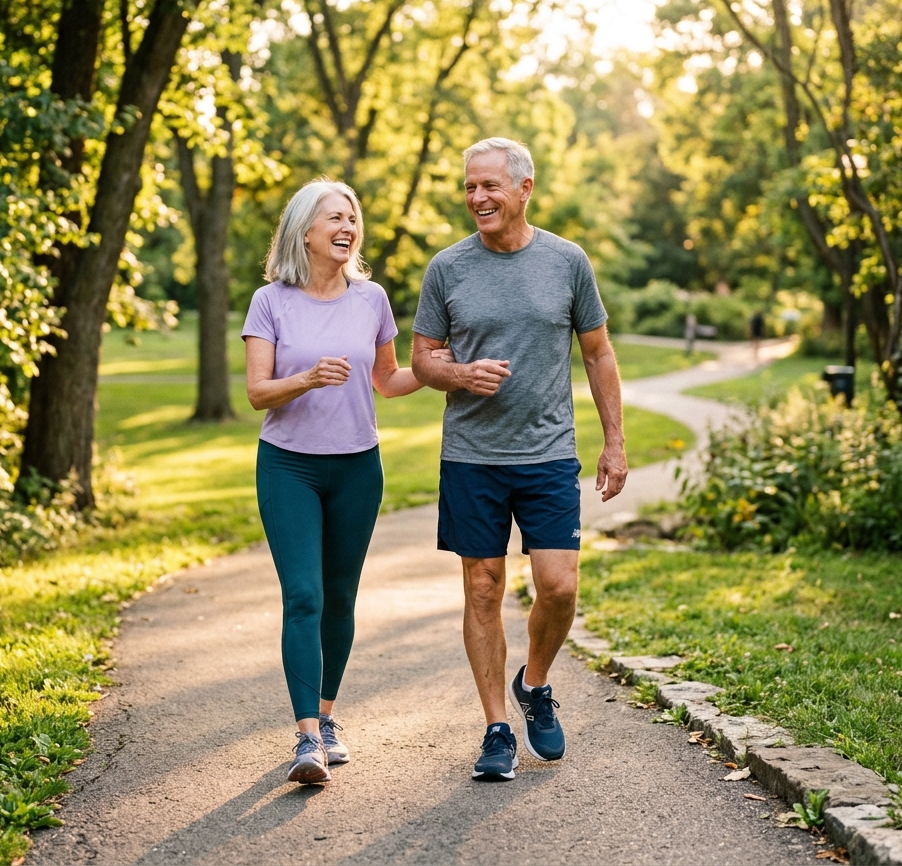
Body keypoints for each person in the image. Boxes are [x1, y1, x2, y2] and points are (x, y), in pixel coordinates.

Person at [411, 137, 628, 782]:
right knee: (482, 586)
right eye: (469, 186)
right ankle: (496, 728)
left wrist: (614, 441)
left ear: (524, 188)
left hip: (548, 452)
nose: (477, 197)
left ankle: (533, 684)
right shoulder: (447, 268)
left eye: (490, 186)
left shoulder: (567, 261)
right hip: (472, 457)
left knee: (559, 587)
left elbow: (598, 353)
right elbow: (421, 359)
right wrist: (458, 374)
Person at [242, 178, 445, 785]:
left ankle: (327, 718)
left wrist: (439, 367)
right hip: (290, 466)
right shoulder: (270, 301)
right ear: (305, 230)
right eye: (335, 217)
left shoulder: (371, 298)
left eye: (352, 218)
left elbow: (389, 380)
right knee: (304, 595)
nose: (347, 227)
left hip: (358, 466)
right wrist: (306, 378)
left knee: (340, 594)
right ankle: (307, 737)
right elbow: (257, 393)